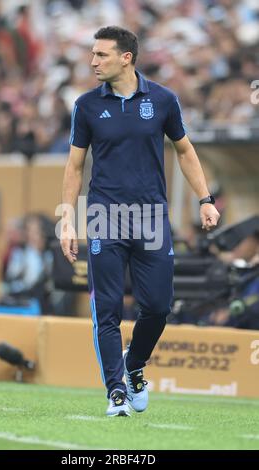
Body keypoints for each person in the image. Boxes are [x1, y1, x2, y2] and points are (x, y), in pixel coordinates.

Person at [60, 26, 220, 417]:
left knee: (158, 307)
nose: (93, 61)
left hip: (151, 218)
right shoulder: (85, 106)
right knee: (109, 310)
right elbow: (75, 165)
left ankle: (134, 364)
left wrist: (205, 199)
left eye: (102, 55)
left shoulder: (163, 100)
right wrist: (67, 219)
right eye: (93, 54)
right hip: (104, 217)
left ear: (126, 58)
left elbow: (185, 151)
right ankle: (115, 391)